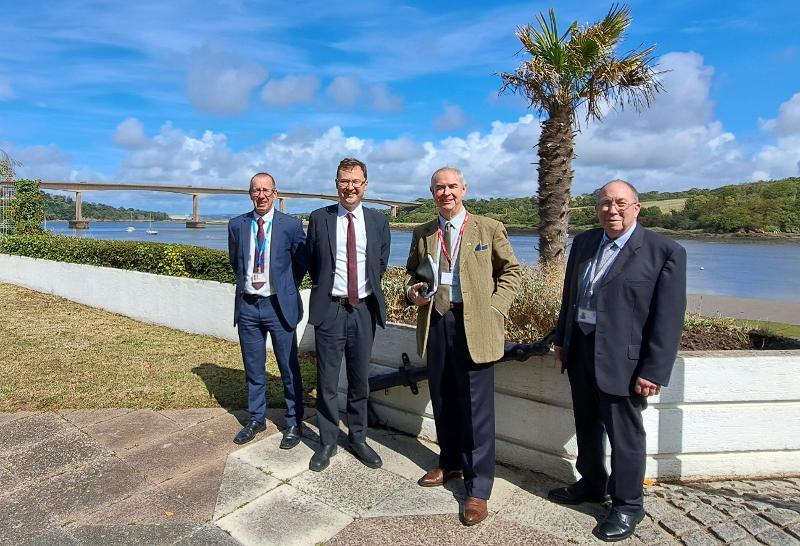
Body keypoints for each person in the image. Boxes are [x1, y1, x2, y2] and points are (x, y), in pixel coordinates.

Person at [548, 179, 687, 542]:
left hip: (624, 363)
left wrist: (653, 370)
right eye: (605, 203)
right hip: (580, 352)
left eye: (621, 203)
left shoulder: (664, 252)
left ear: (637, 208)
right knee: (587, 426)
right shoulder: (584, 242)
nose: (613, 210)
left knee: (625, 436)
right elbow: (570, 298)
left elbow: (668, 318)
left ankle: (628, 505)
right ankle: (592, 483)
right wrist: (563, 340)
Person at [406, 166, 521, 526]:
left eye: (452, 186)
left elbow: (512, 272)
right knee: (442, 399)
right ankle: (450, 463)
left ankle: (478, 488)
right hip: (437, 322)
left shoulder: (488, 227)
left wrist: (493, 307)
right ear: (431, 192)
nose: (446, 193)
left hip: (476, 325)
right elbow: (414, 274)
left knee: (476, 410)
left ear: (464, 189)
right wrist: (412, 293)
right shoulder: (424, 232)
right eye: (439, 188)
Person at [306, 157, 391, 472]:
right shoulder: (319, 219)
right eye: (344, 181)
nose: (350, 187)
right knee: (327, 380)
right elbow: (314, 263)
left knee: (359, 380)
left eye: (356, 181)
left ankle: (358, 438)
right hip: (330, 309)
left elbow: (379, 264)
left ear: (365, 185)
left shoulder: (379, 222)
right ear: (336, 183)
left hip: (364, 310)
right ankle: (327, 440)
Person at [227, 172, 308, 448]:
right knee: (253, 367)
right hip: (248, 306)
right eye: (255, 190)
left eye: (266, 190)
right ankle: (256, 418)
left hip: (278, 306)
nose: (261, 195)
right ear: (249, 194)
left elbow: (300, 264)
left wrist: (284, 288)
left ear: (275, 193)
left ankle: (294, 421)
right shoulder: (237, 225)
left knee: (288, 366)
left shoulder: (291, 226)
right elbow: (235, 263)